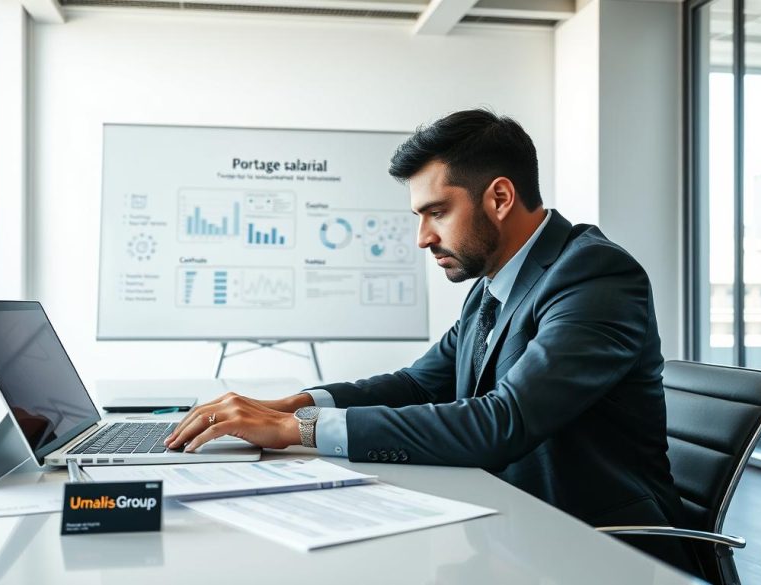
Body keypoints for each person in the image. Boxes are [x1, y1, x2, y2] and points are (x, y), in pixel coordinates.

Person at [165, 109, 699, 576]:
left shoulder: (593, 275)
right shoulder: (494, 283)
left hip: (598, 547)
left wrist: (294, 431)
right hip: (511, 533)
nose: (423, 238)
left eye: (437, 212)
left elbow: (502, 422)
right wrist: (295, 404)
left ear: (499, 197)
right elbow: (419, 382)